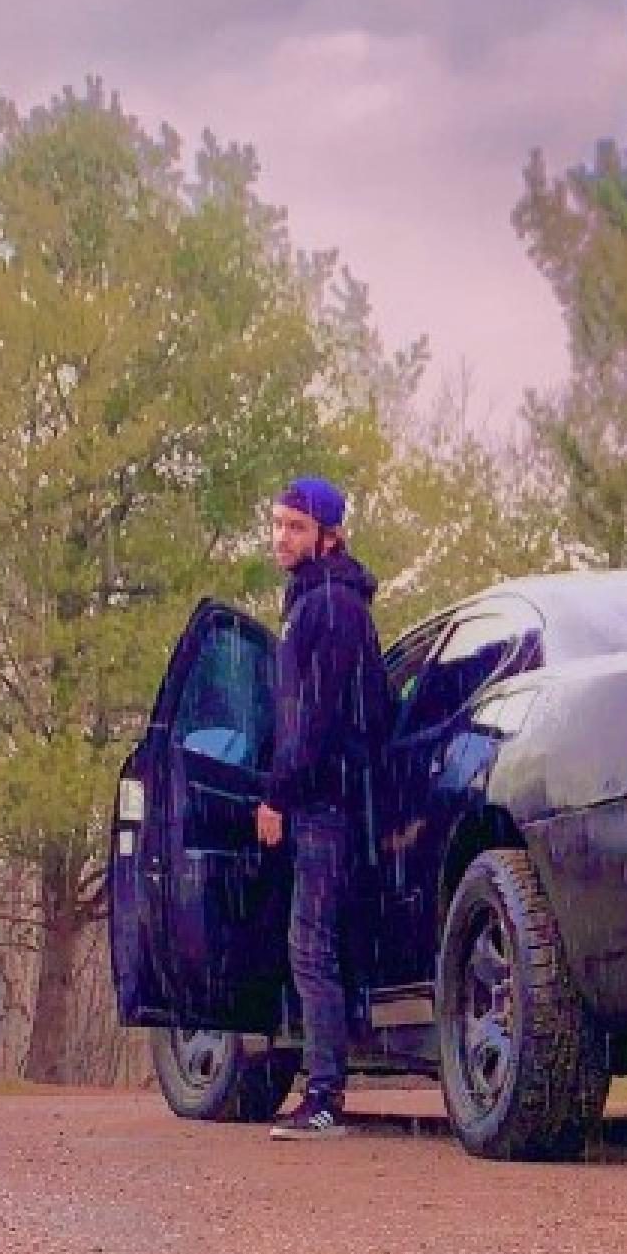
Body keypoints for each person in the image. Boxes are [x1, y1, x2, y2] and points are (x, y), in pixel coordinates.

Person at [254, 475, 391, 1137]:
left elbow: (314, 717)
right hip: (324, 798)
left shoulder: (332, 606)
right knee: (313, 944)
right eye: (278, 524)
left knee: (312, 947)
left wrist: (278, 794)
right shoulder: (314, 601)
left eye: (296, 527)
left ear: (329, 537)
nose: (282, 537)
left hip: (327, 804)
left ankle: (326, 1096)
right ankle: (324, 1087)